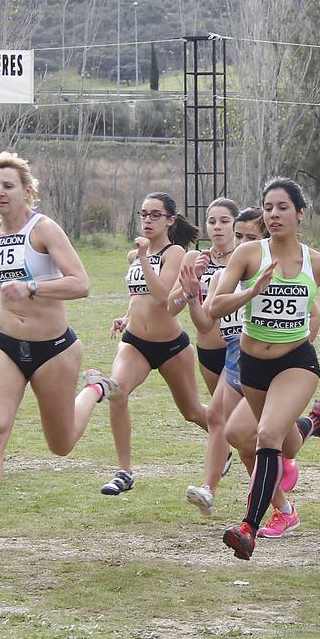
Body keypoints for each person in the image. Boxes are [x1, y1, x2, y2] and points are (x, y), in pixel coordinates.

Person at [206, 178, 320, 560]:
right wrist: (251, 292)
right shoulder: (249, 254)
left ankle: (248, 526)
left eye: (282, 207)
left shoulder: (317, 263)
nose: (273, 214)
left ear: (300, 213)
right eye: (267, 207)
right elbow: (213, 309)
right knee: (285, 442)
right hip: (252, 365)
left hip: (296, 363)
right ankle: (316, 423)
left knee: (266, 434)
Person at [0, 153, 95, 557]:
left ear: (27, 191)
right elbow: (0, 274)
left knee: (60, 444)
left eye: (8, 185)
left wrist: (33, 288)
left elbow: (80, 284)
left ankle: (95, 389)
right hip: (5, 344)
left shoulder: (43, 230)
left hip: (54, 350)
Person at [97, 192, 209, 496]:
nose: (147, 220)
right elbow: (139, 296)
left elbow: (162, 298)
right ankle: (125, 472)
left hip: (171, 345)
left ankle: (227, 442)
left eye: (155, 215)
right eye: (143, 214)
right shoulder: (135, 255)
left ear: (170, 220)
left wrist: (145, 257)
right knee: (116, 392)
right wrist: (125, 316)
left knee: (193, 413)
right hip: (135, 342)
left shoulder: (175, 254)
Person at [171, 198, 244, 514]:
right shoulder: (193, 257)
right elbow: (171, 306)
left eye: (224, 221)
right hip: (209, 351)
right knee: (227, 420)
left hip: (241, 347)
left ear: (235, 225)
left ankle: (208, 488)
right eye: (211, 221)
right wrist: (189, 288)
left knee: (221, 417)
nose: (217, 227)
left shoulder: (246, 258)